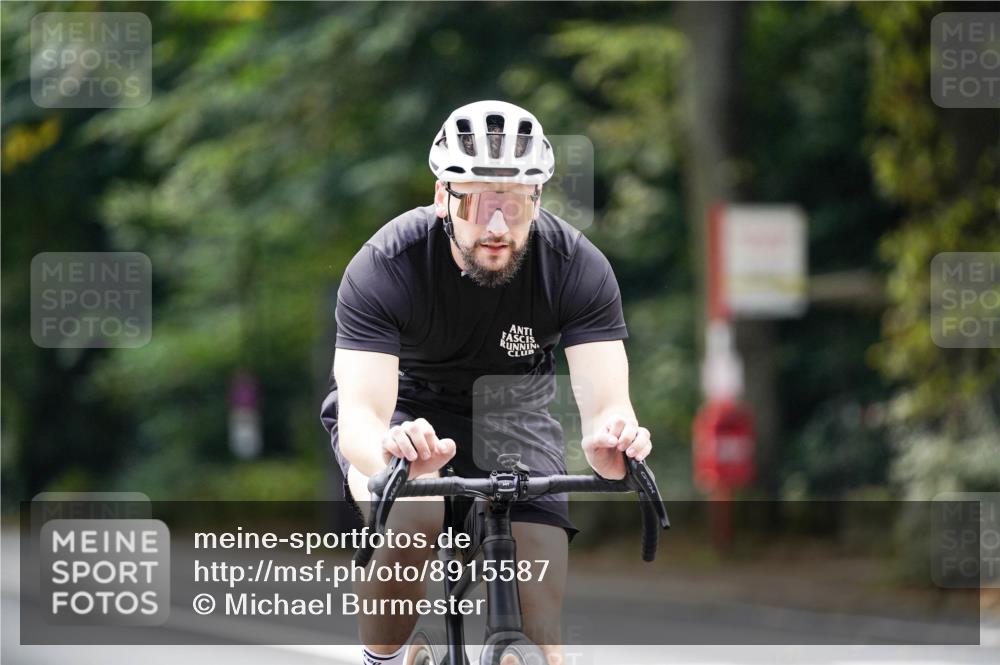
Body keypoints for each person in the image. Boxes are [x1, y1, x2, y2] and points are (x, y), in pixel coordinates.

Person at [320, 100, 653, 665]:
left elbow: (607, 410)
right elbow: (360, 417)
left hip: (512, 414)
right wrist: (389, 457)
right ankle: (383, 655)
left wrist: (613, 444)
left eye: (516, 204)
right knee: (416, 514)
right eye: (478, 202)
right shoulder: (385, 264)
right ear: (442, 197)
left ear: (538, 202)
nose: (497, 227)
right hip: (406, 417)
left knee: (541, 614)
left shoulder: (576, 266)